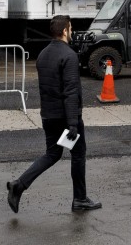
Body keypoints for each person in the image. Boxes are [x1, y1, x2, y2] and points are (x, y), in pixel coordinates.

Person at [7, 15, 101, 213]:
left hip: (48, 116)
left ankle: (19, 184)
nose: (72, 32)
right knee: (78, 155)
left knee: (52, 154)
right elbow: (70, 91)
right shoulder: (68, 55)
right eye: (71, 28)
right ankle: (80, 199)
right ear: (65, 31)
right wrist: (73, 123)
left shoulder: (43, 54)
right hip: (66, 117)